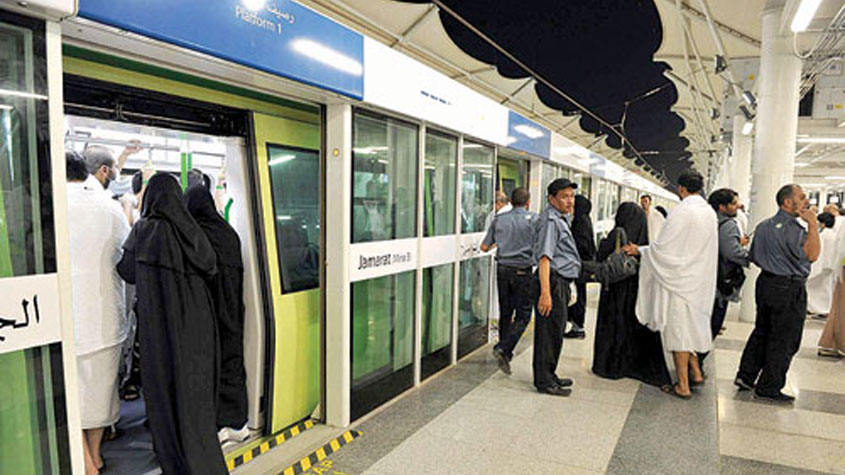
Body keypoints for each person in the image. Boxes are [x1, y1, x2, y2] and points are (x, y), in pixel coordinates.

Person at [116, 173, 227, 474]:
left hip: (160, 327)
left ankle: (174, 458)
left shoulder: (143, 229)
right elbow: (210, 267)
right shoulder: (192, 229)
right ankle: (202, 456)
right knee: (195, 389)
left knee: (163, 389)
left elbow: (126, 271)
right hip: (198, 324)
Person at [66, 151, 131, 475]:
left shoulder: (56, 205)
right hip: (108, 317)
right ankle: (95, 454)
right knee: (101, 395)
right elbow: (126, 253)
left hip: (71, 318)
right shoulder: (111, 206)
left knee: (70, 394)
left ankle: (85, 463)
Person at [627, 170, 718, 399]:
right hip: (700, 281)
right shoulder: (708, 212)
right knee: (692, 327)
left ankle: (683, 386)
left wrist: (640, 250)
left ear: (681, 188)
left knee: (679, 332)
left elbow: (664, 249)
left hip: (680, 282)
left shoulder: (681, 211)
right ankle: (696, 373)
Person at [735, 184, 820, 403]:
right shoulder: (796, 230)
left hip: (765, 284)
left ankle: (746, 376)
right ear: (788, 202)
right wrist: (812, 223)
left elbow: (753, 256)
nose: (806, 201)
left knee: (762, 330)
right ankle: (769, 386)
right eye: (802, 197)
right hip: (789, 288)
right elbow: (812, 255)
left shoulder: (763, 226)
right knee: (785, 339)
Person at [184, 184, 250, 443]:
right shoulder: (228, 232)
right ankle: (238, 422)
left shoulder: (195, 236)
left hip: (208, 311)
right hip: (233, 307)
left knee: (210, 365)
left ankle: (218, 426)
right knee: (233, 360)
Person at [592, 202, 671, 387]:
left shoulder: (618, 233)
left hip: (615, 288)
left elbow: (601, 256)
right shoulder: (644, 240)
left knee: (614, 324)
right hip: (637, 287)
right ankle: (632, 364)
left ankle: (609, 365)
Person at [532, 178, 582, 397]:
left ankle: (550, 374)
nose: (570, 201)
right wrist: (545, 293)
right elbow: (544, 259)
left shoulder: (561, 218)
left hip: (559, 281)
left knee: (555, 332)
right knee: (548, 334)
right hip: (551, 282)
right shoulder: (551, 221)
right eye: (564, 197)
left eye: (571, 196)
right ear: (551, 199)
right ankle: (544, 381)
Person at [481, 187, 537, 375]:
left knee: (505, 311)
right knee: (523, 314)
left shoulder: (499, 219)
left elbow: (484, 247)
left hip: (503, 269)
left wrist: (502, 243)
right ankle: (503, 348)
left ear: (511, 202)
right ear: (528, 203)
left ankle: (505, 353)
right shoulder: (534, 220)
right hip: (522, 270)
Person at [708, 188, 750, 340]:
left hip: (708, 275)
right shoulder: (729, 224)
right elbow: (731, 252)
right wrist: (751, 257)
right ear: (722, 207)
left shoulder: (710, 220)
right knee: (715, 320)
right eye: (733, 203)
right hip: (722, 279)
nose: (737, 206)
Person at [565, 195, 596, 339]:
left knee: (578, 296)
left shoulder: (580, 222)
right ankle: (576, 325)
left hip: (578, 265)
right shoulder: (584, 220)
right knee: (579, 295)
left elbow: (580, 245)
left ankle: (578, 327)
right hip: (581, 265)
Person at [807, 212, 837, 318]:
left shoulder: (822, 236)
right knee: (826, 288)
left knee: (814, 288)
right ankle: (824, 309)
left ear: (823, 223)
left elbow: (819, 252)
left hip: (822, 265)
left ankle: (818, 309)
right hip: (831, 266)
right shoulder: (834, 235)